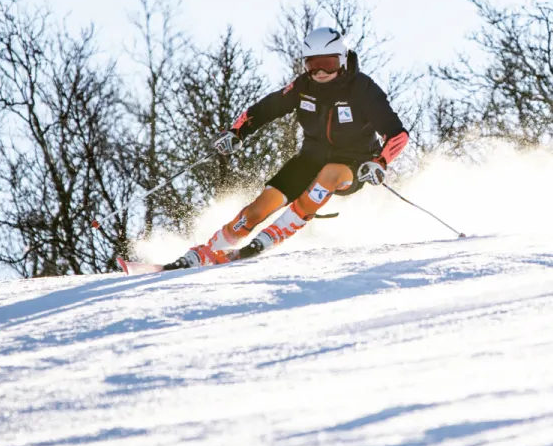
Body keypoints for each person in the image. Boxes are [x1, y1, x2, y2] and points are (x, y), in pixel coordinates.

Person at [168, 27, 409, 269]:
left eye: (329, 63)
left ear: (343, 60)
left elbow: (397, 134)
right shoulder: (303, 87)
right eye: (313, 64)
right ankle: (210, 250)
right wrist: (237, 132)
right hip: (310, 159)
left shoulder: (362, 89)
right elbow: (266, 108)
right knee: (259, 208)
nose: (321, 71)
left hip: (353, 164)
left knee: (330, 174)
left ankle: (270, 237)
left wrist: (380, 162)